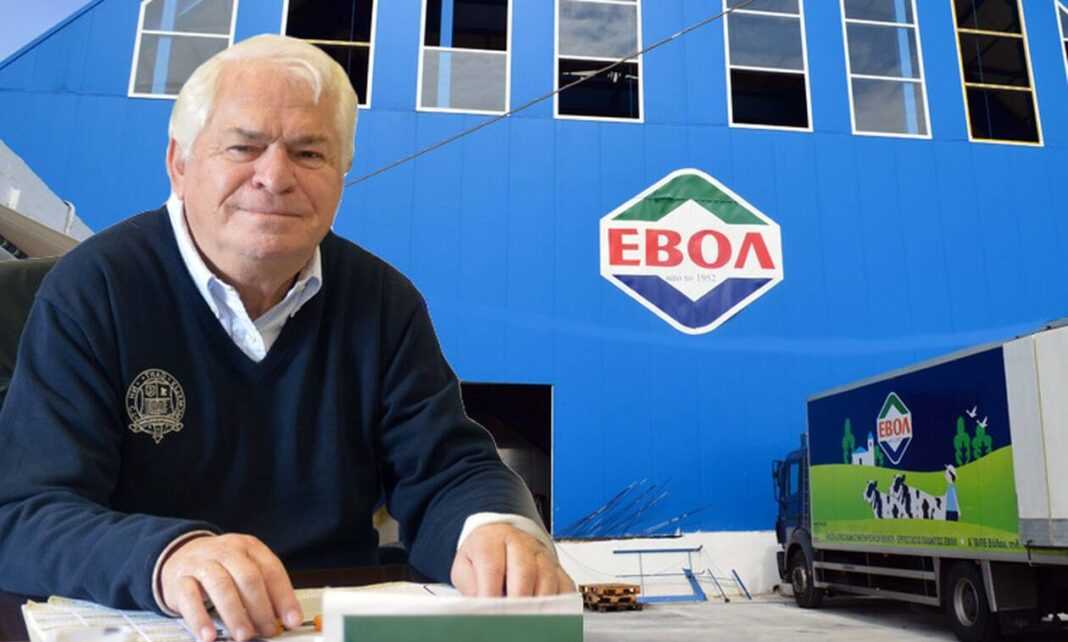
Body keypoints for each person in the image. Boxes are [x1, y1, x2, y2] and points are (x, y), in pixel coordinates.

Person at [0, 34, 573, 642]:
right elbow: (25, 512)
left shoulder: (383, 302)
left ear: (342, 174)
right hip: (156, 617)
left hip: (325, 617)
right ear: (180, 163)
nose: (274, 178)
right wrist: (166, 558)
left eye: (309, 153)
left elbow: (448, 470)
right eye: (243, 147)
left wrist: (491, 529)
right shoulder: (95, 288)